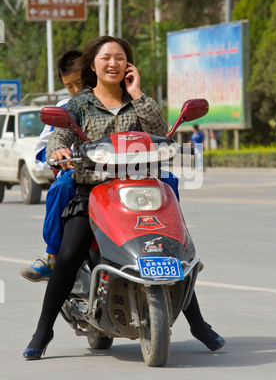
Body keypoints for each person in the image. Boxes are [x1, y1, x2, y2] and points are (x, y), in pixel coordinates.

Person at [23, 35, 224, 360]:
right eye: (106, 58)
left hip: (141, 188)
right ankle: (43, 330)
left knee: (172, 252)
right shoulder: (80, 103)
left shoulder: (138, 101)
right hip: (94, 192)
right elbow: (62, 131)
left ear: (128, 64)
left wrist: (137, 93)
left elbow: (162, 130)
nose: (113, 63)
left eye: (120, 57)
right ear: (93, 64)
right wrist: (59, 148)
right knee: (70, 253)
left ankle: (198, 324)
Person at [19, 51, 83, 282]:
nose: (76, 91)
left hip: (121, 174)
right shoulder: (66, 107)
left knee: (165, 181)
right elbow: (45, 148)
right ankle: (52, 255)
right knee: (63, 185)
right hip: (82, 173)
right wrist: (58, 154)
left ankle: (175, 247)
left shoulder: (128, 99)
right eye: (70, 86)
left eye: (81, 83)